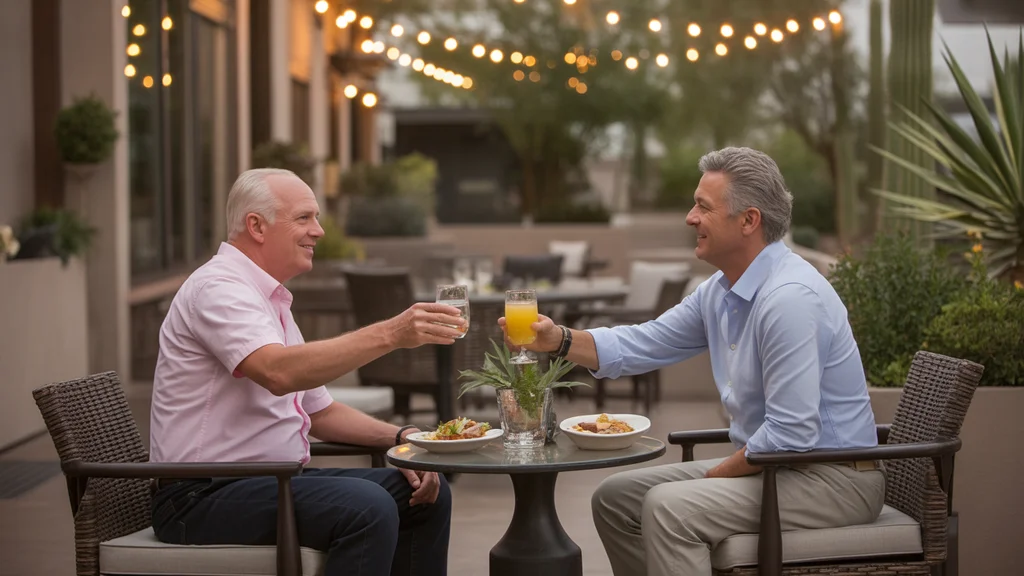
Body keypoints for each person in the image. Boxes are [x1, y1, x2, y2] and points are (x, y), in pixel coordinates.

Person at [499, 147, 884, 576]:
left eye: (703, 206)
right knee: (614, 499)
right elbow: (644, 342)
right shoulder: (720, 291)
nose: (690, 217)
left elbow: (790, 433)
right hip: (773, 468)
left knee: (669, 508)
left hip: (832, 480)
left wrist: (714, 478)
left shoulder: (789, 299)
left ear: (749, 220)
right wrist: (559, 339)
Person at [149, 168, 465, 576]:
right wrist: (391, 333)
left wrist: (404, 440)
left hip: (269, 482)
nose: (318, 231)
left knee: (425, 493)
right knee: (367, 508)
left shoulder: (270, 298)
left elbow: (319, 412)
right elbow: (277, 372)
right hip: (201, 496)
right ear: (256, 226)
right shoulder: (218, 288)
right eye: (304, 218)